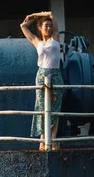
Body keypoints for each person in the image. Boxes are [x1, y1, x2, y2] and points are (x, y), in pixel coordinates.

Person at [20, 11, 63, 150]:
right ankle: (43, 140)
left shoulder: (55, 38)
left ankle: (54, 140)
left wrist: (35, 14)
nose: (48, 28)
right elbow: (23, 26)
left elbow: (51, 14)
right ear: (40, 28)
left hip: (56, 74)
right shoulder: (37, 42)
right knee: (42, 108)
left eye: (50, 26)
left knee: (55, 108)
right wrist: (30, 19)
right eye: (45, 26)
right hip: (42, 75)